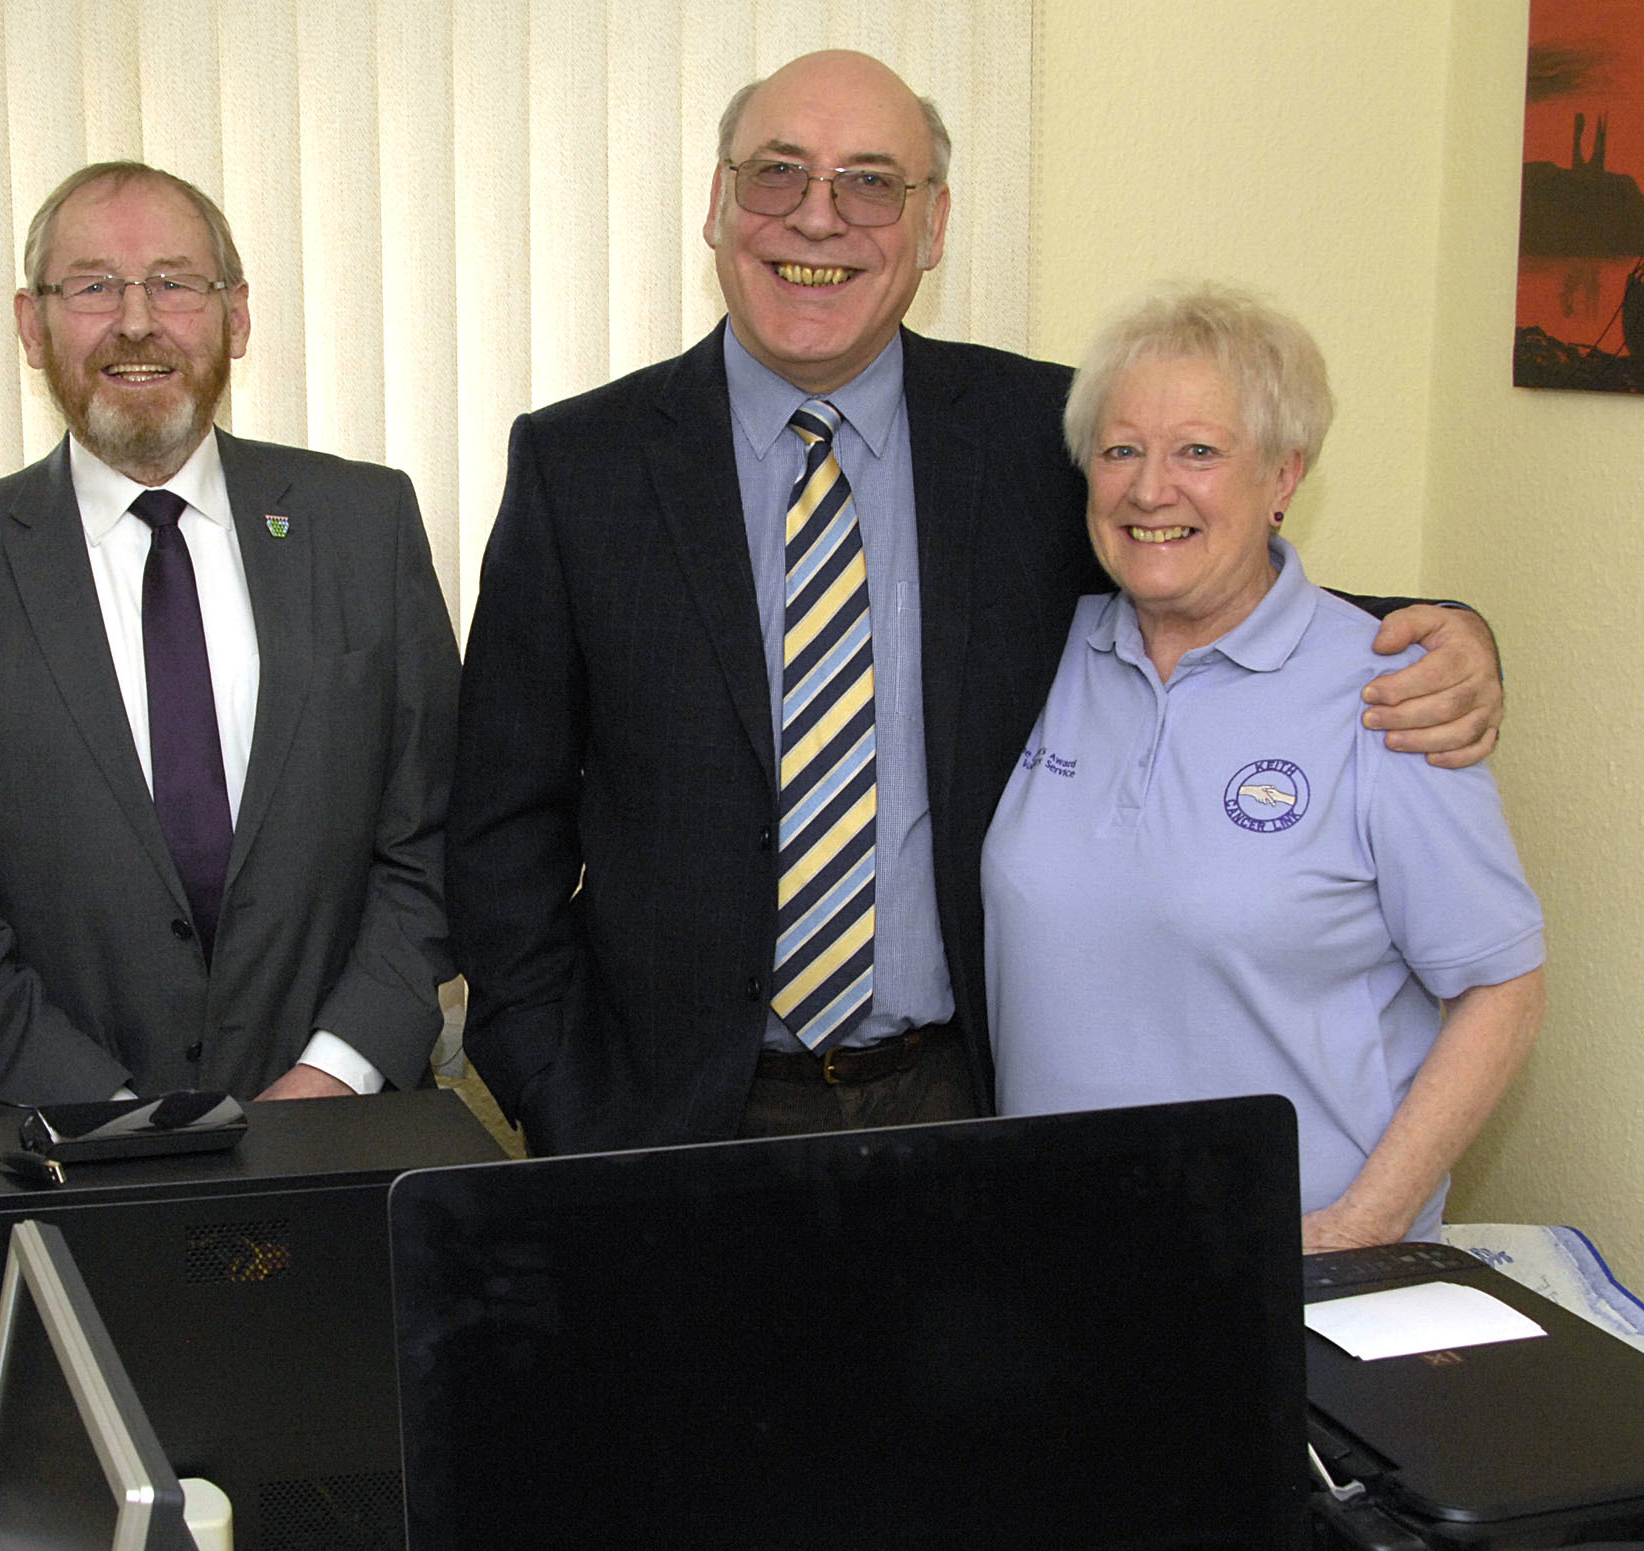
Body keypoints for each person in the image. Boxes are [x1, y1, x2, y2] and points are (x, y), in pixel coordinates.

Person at [445, 49, 1504, 1157]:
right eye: (777, 175)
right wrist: (560, 1096)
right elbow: (499, 823)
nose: (818, 220)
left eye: (870, 182)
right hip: (660, 1122)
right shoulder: (583, 466)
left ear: (935, 225)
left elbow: (1204, 562)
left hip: (966, 1104)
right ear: (717, 206)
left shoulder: (1040, 436)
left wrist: (1447, 631)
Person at [0, 162, 458, 1106]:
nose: (137, 322)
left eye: (176, 283)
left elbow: (432, 833)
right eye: (94, 286)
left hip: (345, 1134)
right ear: (32, 324)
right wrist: (114, 1118)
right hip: (65, 1153)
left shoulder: (364, 524)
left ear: (236, 315)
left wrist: (335, 1071)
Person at [984, 287, 1544, 1246]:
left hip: (1294, 1260)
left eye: (1199, 451)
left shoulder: (1390, 693)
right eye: (1122, 450)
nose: (1150, 489)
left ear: (1284, 475)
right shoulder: (1039, 654)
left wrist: (1364, 1222)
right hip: (1050, 1248)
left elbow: (1501, 989)